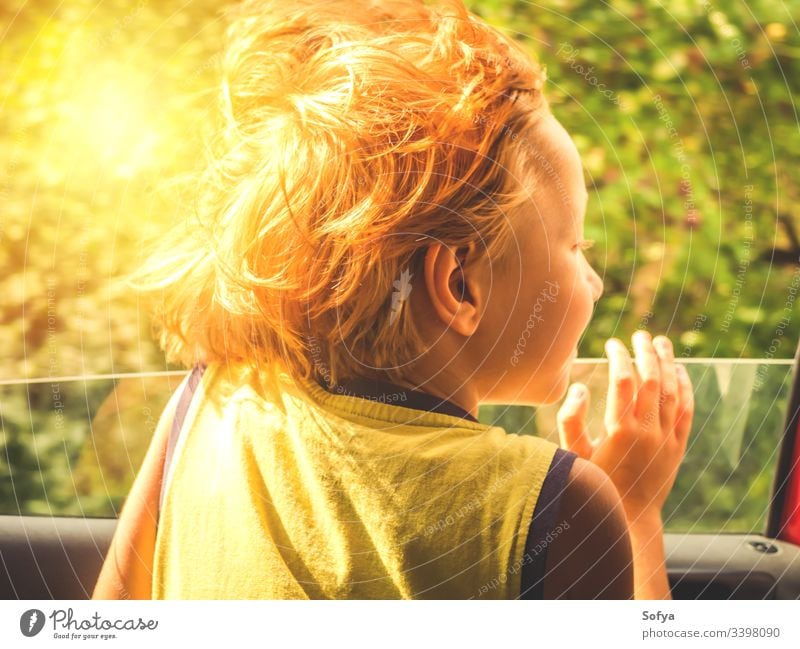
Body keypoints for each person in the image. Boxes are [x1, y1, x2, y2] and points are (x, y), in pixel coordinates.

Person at [92, 0, 693, 600]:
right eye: (577, 246)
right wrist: (633, 507)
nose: (594, 282)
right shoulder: (558, 508)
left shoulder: (210, 401)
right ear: (459, 285)